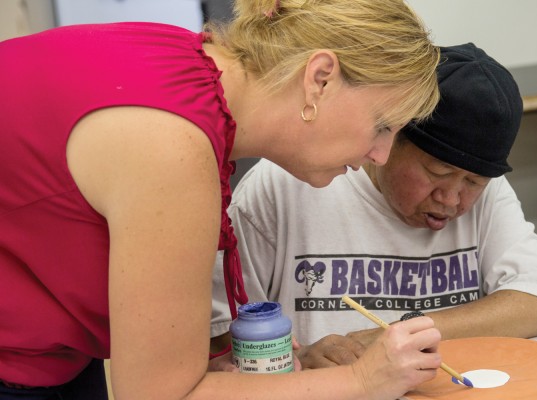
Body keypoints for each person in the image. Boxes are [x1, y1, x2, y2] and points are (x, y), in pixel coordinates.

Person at [0, 0, 442, 399]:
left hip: (53, 350)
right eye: (382, 125)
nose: (380, 155)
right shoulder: (173, 145)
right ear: (320, 79)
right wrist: (362, 382)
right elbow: (157, 395)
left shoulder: (191, 65)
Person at [210, 43, 537, 369]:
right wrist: (298, 360)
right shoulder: (288, 184)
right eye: (437, 172)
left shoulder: (490, 192)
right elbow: (221, 338)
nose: (451, 199)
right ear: (387, 138)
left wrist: (395, 338)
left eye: (472, 183)